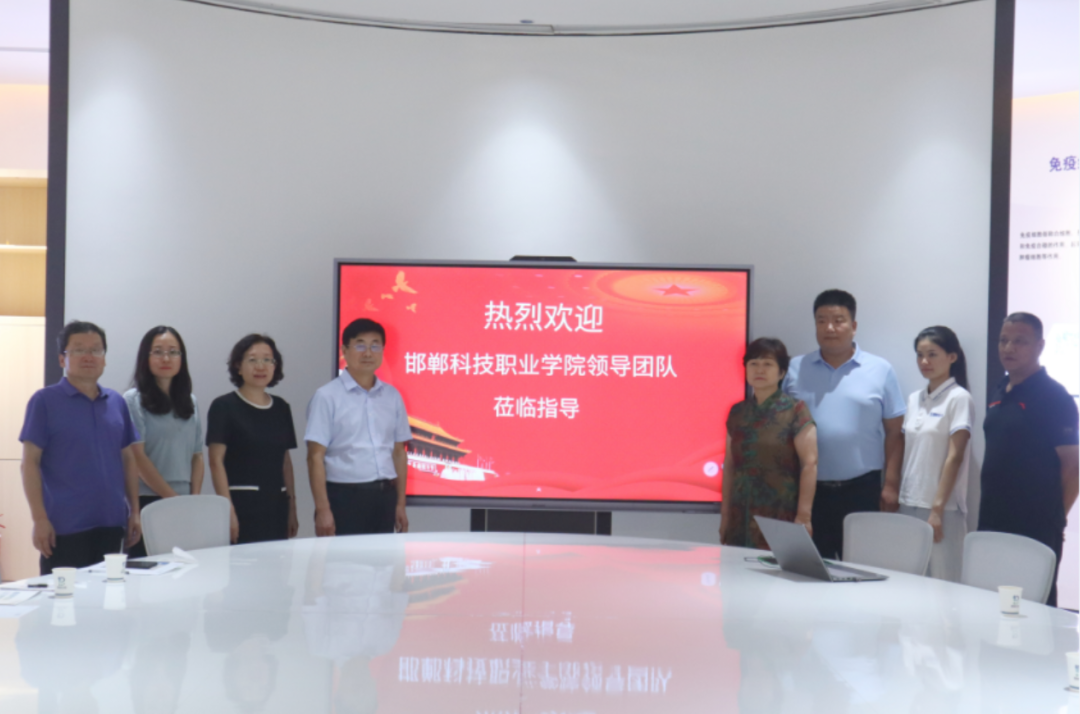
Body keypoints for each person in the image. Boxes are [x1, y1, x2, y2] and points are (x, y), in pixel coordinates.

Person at [783, 289, 906, 560]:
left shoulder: (880, 369)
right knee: (811, 569)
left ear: (854, 326)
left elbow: (894, 433)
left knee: (862, 568)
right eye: (821, 321)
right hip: (809, 492)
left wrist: (891, 484)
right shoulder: (795, 369)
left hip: (862, 490)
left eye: (838, 320)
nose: (830, 328)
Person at [19, 321, 141, 573]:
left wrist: (134, 512)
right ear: (62, 359)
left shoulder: (116, 402)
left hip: (111, 523)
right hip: (63, 527)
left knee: (108, 594)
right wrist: (39, 519)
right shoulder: (44, 401)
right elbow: (30, 463)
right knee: (63, 596)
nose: (88, 356)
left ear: (104, 359)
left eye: (96, 350)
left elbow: (128, 459)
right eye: (78, 350)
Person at [979, 313, 1079, 606]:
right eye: (1003, 340)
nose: (1008, 348)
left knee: (1032, 608)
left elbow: (1073, 467)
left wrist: (1055, 518)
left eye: (1019, 341)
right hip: (993, 519)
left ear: (1040, 346)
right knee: (993, 603)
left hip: (1035, 525)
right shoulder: (1000, 389)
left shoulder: (1055, 397)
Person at [306, 318, 411, 537]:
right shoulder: (326, 396)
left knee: (384, 559)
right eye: (360, 345)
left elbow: (399, 453)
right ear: (344, 351)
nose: (368, 353)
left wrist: (400, 504)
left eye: (375, 346)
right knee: (343, 559)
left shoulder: (392, 396)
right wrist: (322, 510)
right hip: (344, 498)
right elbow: (315, 457)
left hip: (385, 497)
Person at [721, 338, 818, 549]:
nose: (759, 370)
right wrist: (725, 515)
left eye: (768, 364)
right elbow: (729, 466)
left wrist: (804, 516)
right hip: (740, 516)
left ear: (781, 372)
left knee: (774, 568)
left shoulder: (796, 410)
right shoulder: (737, 412)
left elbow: (809, 465)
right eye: (753, 363)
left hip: (780, 514)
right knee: (736, 568)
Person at [897, 326, 974, 582]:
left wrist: (937, 509)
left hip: (943, 509)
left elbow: (955, 456)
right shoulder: (914, 399)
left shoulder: (959, 398)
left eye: (932, 354)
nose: (924, 362)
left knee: (943, 583)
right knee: (910, 582)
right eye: (920, 355)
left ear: (952, 357)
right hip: (909, 502)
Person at [206, 334, 298, 544]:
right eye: (252, 359)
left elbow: (285, 460)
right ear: (238, 366)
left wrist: (292, 507)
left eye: (267, 359)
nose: (260, 366)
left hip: (277, 506)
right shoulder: (224, 407)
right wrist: (228, 510)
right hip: (242, 507)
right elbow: (215, 461)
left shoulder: (281, 407)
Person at [123, 326, 204, 558]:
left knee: (182, 573)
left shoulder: (190, 401)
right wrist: (173, 500)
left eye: (173, 352)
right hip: (149, 501)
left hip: (184, 502)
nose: (166, 358)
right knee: (148, 574)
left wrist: (192, 500)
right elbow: (137, 457)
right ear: (145, 357)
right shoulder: (133, 400)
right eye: (157, 351)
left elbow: (197, 456)